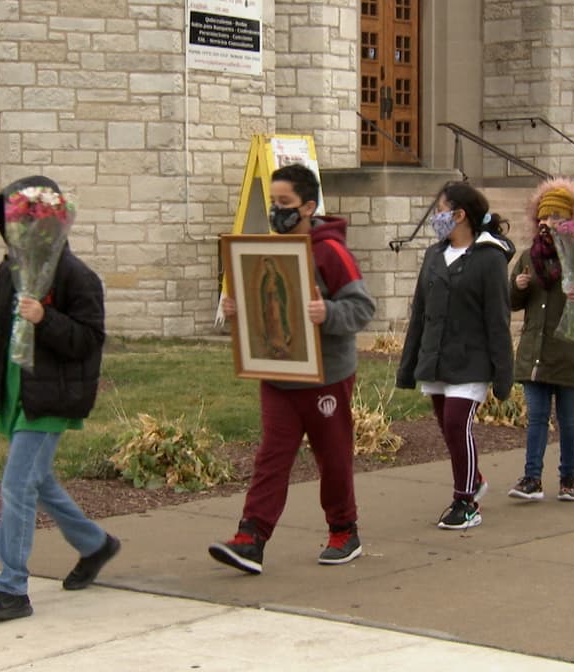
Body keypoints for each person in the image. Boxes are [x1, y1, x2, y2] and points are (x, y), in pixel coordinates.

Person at [0, 176, 119, 620]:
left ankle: (11, 587)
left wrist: (46, 317)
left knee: (16, 485)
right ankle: (94, 544)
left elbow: (89, 339)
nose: (17, 233)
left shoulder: (75, 276)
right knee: (37, 481)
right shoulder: (11, 271)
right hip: (16, 391)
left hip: (52, 397)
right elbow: (4, 335)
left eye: (24, 222)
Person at [209, 164, 376, 574]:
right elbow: (267, 303)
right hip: (279, 373)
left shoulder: (330, 251)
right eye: (274, 203)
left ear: (308, 206)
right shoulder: (268, 250)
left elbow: (362, 308)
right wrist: (236, 310)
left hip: (326, 376)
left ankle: (344, 530)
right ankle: (251, 537)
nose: (277, 211)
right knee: (272, 455)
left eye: (285, 203)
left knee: (332, 456)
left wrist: (328, 312)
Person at [397, 181, 515, 530]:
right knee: (447, 428)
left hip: (471, 360)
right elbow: (420, 312)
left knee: (456, 423)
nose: (437, 218)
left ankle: (466, 502)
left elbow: (498, 319)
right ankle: (474, 480)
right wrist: (410, 364)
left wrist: (503, 372)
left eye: (440, 211)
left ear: (460, 215)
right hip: (436, 358)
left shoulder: (490, 259)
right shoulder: (435, 255)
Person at [507, 179, 574, 502]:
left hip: (568, 354)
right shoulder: (528, 257)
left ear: (568, 220)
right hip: (535, 353)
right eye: (542, 218)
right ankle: (531, 477)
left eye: (554, 218)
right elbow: (511, 301)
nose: (547, 224)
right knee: (536, 418)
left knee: (568, 420)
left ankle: (568, 478)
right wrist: (519, 285)